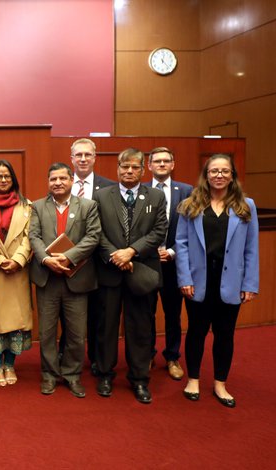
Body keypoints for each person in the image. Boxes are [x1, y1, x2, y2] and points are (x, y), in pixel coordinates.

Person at [175, 154, 259, 408]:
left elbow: (251, 248)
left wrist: (249, 284)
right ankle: (193, 379)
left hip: (231, 281)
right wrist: (184, 278)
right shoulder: (191, 204)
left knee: (225, 334)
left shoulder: (247, 206)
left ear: (232, 175)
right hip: (198, 280)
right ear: (206, 175)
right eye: (214, 171)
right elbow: (181, 244)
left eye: (224, 171)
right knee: (196, 332)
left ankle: (220, 384)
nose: (219, 175)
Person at [92, 148, 167, 404]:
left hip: (142, 271)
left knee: (141, 328)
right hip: (110, 271)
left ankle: (139, 379)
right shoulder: (101, 196)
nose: (129, 171)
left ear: (143, 170)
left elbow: (159, 231)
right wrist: (116, 255)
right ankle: (104, 374)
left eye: (135, 167)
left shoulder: (155, 196)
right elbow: (96, 232)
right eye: (125, 167)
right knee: (106, 327)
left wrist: (131, 251)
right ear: (117, 168)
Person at [29, 163, 100, 398]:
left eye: (62, 178)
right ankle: (49, 375)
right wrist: (46, 259)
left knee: (76, 333)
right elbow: (34, 236)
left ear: (71, 181)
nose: (57, 183)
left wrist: (69, 257)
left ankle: (72, 375)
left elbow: (93, 236)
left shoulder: (88, 206)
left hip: (76, 278)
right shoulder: (38, 206)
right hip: (47, 279)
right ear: (48, 182)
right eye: (53, 179)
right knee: (47, 333)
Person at [0, 160, 34, 387]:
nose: (3, 180)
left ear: (13, 179)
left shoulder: (27, 206)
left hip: (18, 272)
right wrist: (0, 260)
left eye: (7, 176)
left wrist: (18, 260)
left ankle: (10, 364)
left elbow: (30, 237)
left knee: (15, 322)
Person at [65, 138, 114, 375]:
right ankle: (67, 357)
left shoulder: (109, 188)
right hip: (67, 262)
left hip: (98, 261)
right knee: (67, 314)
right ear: (71, 158)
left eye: (87, 155)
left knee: (98, 314)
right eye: (78, 155)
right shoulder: (61, 183)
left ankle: (96, 359)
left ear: (95, 157)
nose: (83, 159)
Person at [145, 147, 193, 380]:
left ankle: (172, 356)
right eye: (157, 161)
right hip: (147, 263)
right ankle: (148, 354)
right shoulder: (142, 191)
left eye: (166, 161)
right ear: (149, 166)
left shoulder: (187, 191)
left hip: (174, 264)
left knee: (173, 313)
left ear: (173, 164)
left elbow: (193, 230)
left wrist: (172, 252)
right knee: (146, 312)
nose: (162, 164)